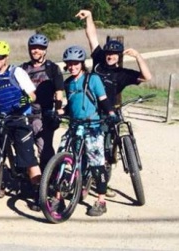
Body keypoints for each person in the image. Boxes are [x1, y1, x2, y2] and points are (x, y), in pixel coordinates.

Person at [76, 9, 152, 197]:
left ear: (119, 56)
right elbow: (92, 37)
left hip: (110, 114)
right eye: (108, 53)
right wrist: (90, 17)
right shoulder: (99, 61)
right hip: (93, 111)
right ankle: (86, 179)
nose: (110, 56)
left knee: (108, 149)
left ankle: (103, 182)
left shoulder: (123, 74)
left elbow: (146, 77)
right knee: (91, 146)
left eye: (114, 54)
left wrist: (138, 56)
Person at [0, 40, 43, 211]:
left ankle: (38, 194)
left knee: (28, 159)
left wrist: (25, 99)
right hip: (0, 120)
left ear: (6, 57)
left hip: (19, 119)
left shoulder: (17, 72)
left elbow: (32, 94)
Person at [58, 46, 119, 216]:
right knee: (62, 157)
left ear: (82, 63)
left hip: (92, 126)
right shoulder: (68, 83)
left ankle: (101, 200)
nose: (72, 66)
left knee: (96, 164)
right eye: (69, 64)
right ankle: (58, 197)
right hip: (74, 126)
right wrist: (58, 112)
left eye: (75, 63)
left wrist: (111, 114)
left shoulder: (93, 79)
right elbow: (70, 106)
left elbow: (103, 100)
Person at [20, 34, 65, 168]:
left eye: (39, 48)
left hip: (44, 114)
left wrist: (57, 111)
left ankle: (50, 180)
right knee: (23, 148)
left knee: (44, 149)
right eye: (33, 48)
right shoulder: (23, 68)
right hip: (25, 113)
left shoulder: (52, 68)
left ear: (45, 50)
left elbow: (59, 92)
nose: (36, 51)